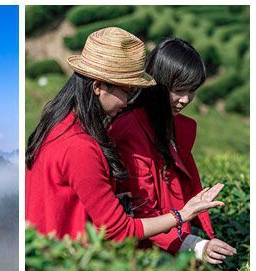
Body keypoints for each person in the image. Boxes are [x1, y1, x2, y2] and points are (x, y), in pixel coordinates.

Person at [25, 27, 225, 243]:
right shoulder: (79, 146)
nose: (129, 101)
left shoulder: (59, 124)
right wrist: (183, 215)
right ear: (99, 86)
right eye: (127, 91)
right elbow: (117, 229)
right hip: (65, 261)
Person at [110, 38, 236, 264]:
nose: (186, 99)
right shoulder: (129, 130)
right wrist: (195, 246)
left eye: (192, 90)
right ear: (157, 84)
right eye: (178, 90)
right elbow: (141, 210)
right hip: (146, 254)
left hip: (176, 239)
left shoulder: (176, 126)